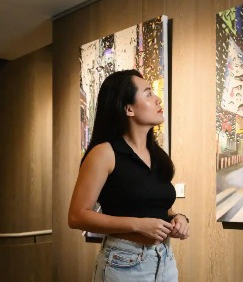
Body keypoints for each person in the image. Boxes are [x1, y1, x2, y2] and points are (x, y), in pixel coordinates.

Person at [68, 69, 189, 282]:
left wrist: (177, 218)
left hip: (165, 260)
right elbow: (77, 216)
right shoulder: (105, 153)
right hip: (124, 263)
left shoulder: (158, 156)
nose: (158, 99)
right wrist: (138, 225)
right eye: (149, 93)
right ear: (129, 108)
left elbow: (154, 206)